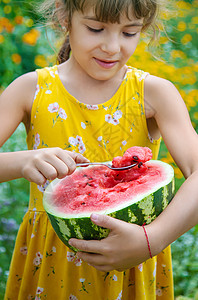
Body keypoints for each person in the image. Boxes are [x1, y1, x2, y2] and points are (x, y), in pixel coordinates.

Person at [1, 0, 198, 299]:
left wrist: (151, 240)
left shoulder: (155, 94)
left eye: (129, 33)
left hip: (133, 265)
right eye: (96, 29)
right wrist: (20, 161)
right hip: (50, 264)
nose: (112, 47)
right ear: (65, 17)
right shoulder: (30, 90)